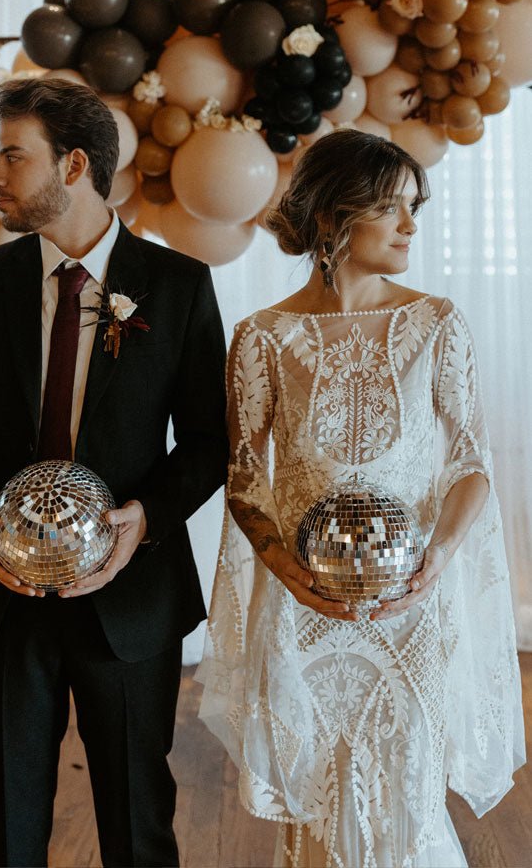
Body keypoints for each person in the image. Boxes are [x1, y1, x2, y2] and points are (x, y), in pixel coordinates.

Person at [0, 77, 228, 868]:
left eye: (12, 156)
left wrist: (141, 521)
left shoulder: (179, 286)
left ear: (74, 164)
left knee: (136, 828)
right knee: (8, 830)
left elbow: (209, 442)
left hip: (131, 599)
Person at [196, 129, 525, 867]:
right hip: (303, 609)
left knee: (404, 795)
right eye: (393, 207)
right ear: (329, 219)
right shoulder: (263, 338)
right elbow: (246, 477)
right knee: (319, 797)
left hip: (409, 604)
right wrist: (284, 568)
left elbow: (471, 461)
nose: (412, 225)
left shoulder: (436, 323)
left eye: (416, 207)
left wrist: (435, 561)